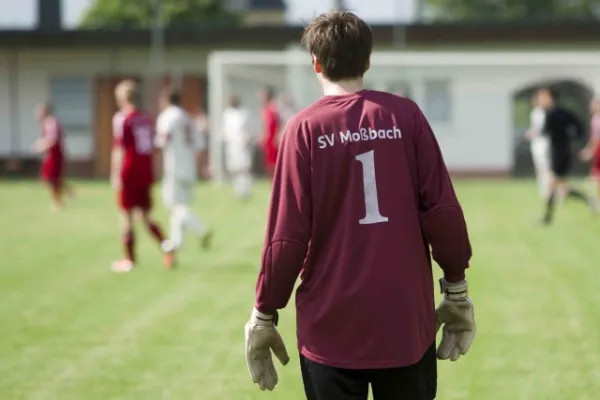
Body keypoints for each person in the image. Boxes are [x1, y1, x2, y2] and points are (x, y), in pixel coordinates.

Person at [244, 11, 475, 400]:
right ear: (367, 61)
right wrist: (456, 288)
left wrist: (265, 313)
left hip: (330, 327)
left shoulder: (303, 128)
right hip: (404, 321)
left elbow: (287, 236)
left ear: (315, 64)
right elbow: (443, 212)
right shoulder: (406, 115)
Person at [110, 80, 173, 273]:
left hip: (129, 171)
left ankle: (129, 260)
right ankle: (166, 245)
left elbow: (120, 148)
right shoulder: (146, 118)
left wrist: (115, 174)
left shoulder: (123, 118)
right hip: (145, 171)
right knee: (144, 216)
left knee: (126, 216)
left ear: (122, 97)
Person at [155, 88, 212, 253]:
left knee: (174, 206)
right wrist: (200, 165)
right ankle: (176, 243)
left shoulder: (168, 116)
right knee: (180, 206)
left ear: (166, 100)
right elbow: (200, 145)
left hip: (174, 166)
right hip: (189, 166)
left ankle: (201, 229)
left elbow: (162, 140)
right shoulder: (187, 118)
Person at [538, 87, 598, 225]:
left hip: (558, 153)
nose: (541, 100)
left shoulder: (551, 114)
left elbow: (544, 132)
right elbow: (579, 128)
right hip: (565, 151)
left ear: (550, 98)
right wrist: (575, 138)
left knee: (555, 185)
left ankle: (548, 217)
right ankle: (548, 216)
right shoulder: (564, 113)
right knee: (558, 186)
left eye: (543, 97)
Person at [33, 102, 74, 212]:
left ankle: (57, 203)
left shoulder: (51, 122)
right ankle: (68, 191)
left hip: (55, 155)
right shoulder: (46, 123)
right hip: (50, 155)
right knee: (48, 180)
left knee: (51, 180)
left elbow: (53, 139)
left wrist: (41, 145)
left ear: (45, 111)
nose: (37, 113)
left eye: (39, 111)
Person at [222, 95, 253, 200]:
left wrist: (247, 139)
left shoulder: (243, 113)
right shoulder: (227, 114)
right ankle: (238, 190)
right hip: (232, 146)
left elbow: (248, 129)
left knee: (244, 168)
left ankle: (246, 189)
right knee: (234, 169)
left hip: (242, 145)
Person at [525, 91, 551, 199]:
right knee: (539, 167)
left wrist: (532, 133)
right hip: (537, 143)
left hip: (543, 143)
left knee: (545, 167)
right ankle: (544, 189)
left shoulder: (543, 112)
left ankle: (549, 190)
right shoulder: (535, 112)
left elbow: (541, 129)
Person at [580, 98, 600, 199]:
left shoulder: (597, 120)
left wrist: (590, 150)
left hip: (598, 148)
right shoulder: (595, 119)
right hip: (597, 148)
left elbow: (596, 138)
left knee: (596, 174)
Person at [259, 86, 280, 178]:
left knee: (275, 165)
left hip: (273, 141)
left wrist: (278, 136)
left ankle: (277, 187)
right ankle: (272, 188)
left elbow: (279, 123)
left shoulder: (274, 107)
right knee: (269, 166)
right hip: (267, 141)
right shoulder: (265, 109)